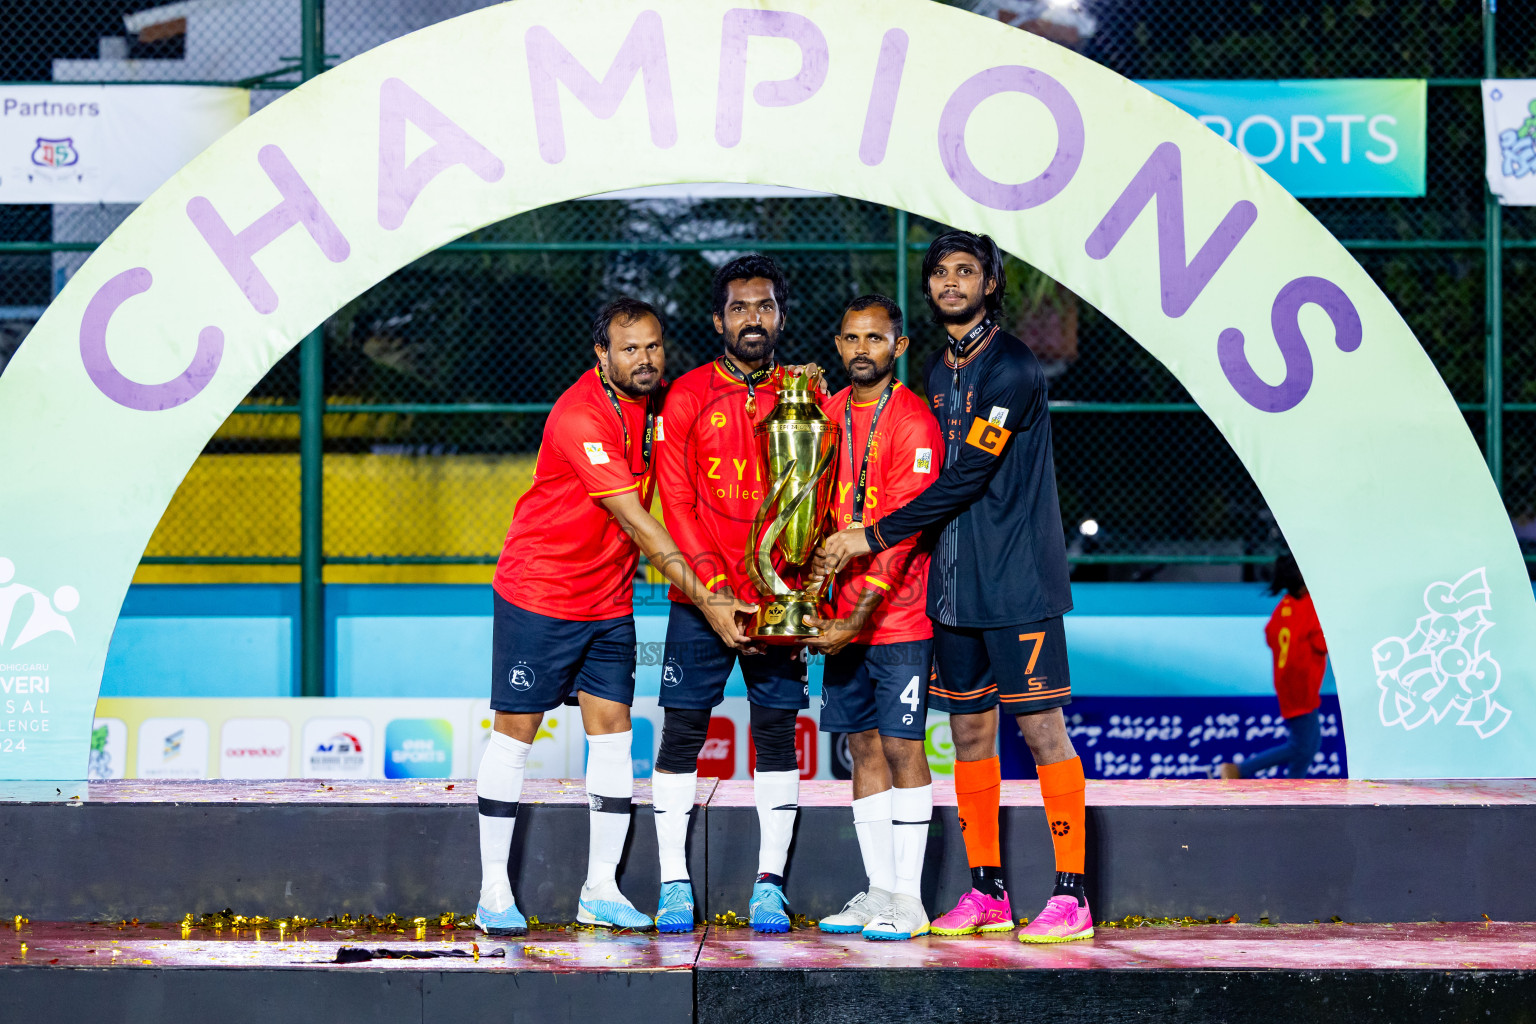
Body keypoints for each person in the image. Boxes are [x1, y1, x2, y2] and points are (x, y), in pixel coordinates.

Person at [816, 231, 1093, 944]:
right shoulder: (936, 375)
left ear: (989, 285)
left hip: (1018, 582)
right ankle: (987, 892)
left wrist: (872, 535)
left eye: (966, 271)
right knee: (969, 732)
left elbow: (968, 476)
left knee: (1040, 730)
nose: (951, 282)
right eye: (940, 273)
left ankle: (1071, 894)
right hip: (952, 588)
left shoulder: (1013, 368)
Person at [475, 297, 755, 937]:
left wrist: (806, 378)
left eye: (654, 346)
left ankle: (600, 889)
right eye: (629, 349)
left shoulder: (660, 403)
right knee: (514, 735)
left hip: (606, 602)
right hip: (540, 593)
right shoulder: (581, 415)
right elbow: (638, 523)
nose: (645, 359)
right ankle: (493, 893)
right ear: (601, 355)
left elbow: (733, 380)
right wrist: (710, 599)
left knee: (613, 737)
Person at [650, 254, 812, 934]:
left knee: (777, 733)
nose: (753, 317)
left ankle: (770, 885)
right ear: (718, 319)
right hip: (701, 600)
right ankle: (673, 884)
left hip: (780, 596)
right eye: (740, 307)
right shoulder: (684, 395)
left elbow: (816, 499)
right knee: (682, 731)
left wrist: (789, 583)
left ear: (780, 317)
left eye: (765, 305)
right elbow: (677, 504)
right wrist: (714, 592)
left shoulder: (808, 397)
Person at [805, 295, 944, 941]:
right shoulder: (825, 414)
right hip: (839, 619)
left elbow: (906, 536)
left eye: (876, 338)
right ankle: (878, 891)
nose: (863, 348)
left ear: (900, 346)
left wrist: (858, 615)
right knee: (860, 746)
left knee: (902, 747)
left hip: (896, 619)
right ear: (839, 347)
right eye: (852, 338)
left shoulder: (914, 424)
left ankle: (909, 901)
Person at [1217, 556, 1329, 780]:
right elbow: (1322, 643)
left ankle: (1294, 785)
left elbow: (1270, 634)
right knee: (1303, 746)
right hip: (1302, 683)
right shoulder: (1311, 605)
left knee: (1310, 744)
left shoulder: (1285, 605)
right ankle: (1240, 770)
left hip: (1286, 681)